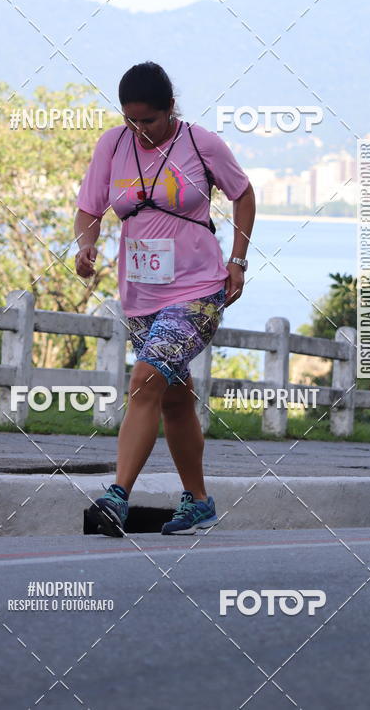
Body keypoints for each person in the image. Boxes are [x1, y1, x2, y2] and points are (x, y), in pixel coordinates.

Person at [74, 61, 255, 536]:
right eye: (131, 119)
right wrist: (86, 245)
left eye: (149, 120)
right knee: (173, 400)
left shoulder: (200, 143)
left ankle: (117, 496)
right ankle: (199, 502)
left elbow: (243, 194)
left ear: (171, 108)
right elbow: (89, 208)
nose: (140, 130)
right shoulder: (112, 145)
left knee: (144, 379)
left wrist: (238, 260)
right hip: (141, 296)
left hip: (198, 290)